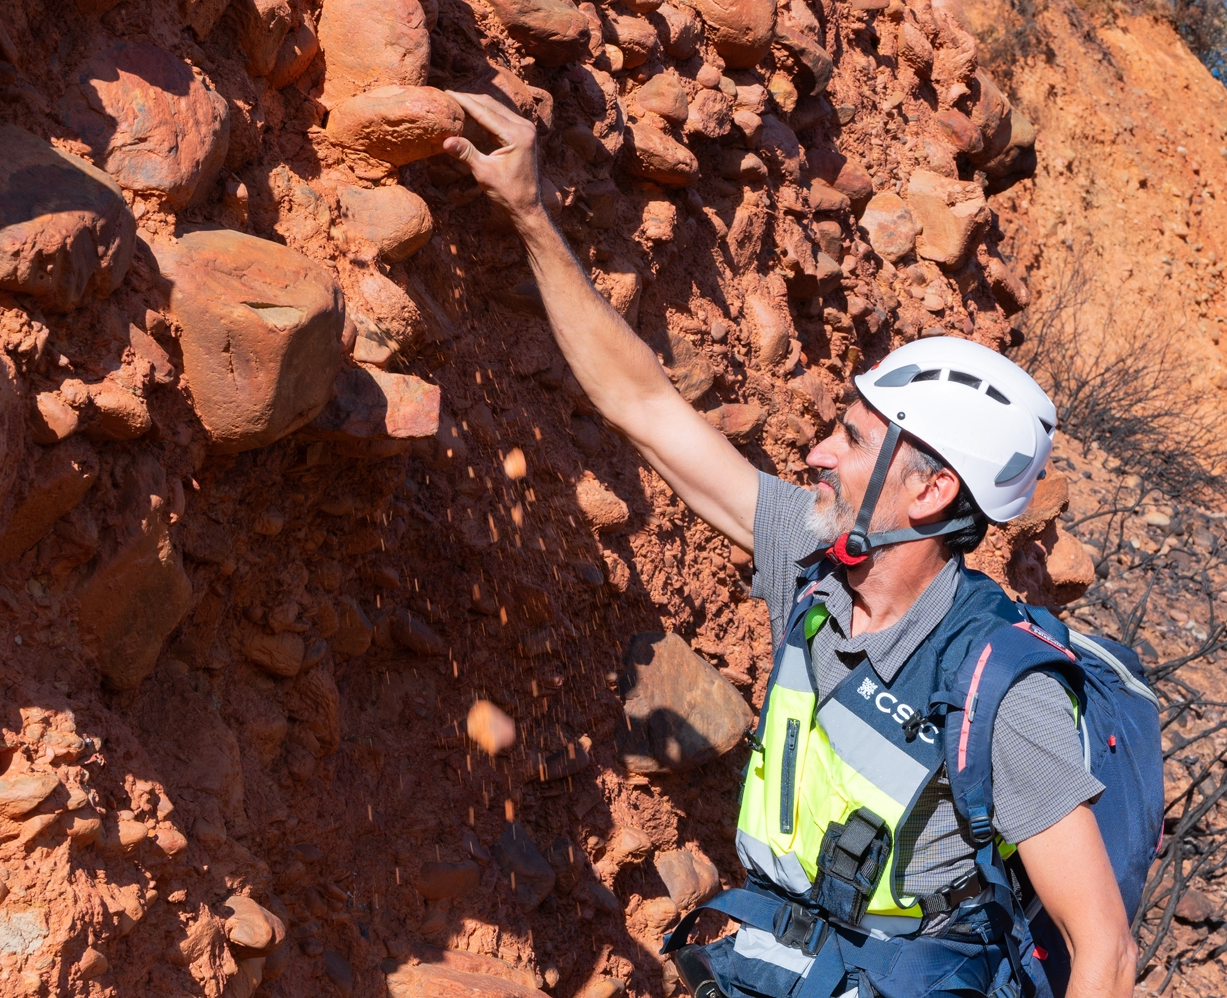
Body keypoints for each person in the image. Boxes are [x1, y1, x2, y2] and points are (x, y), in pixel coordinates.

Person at [438, 92, 1138, 998]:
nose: (816, 452)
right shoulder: (810, 557)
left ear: (931, 491)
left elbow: (1106, 952)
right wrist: (529, 214)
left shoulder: (1003, 692)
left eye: (852, 440)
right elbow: (645, 407)